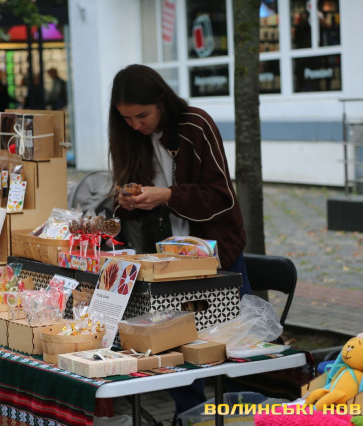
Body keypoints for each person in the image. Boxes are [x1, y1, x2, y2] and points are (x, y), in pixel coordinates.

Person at [108, 64, 251, 419]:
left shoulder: (195, 125)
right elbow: (125, 207)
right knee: (171, 345)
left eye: (142, 116)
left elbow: (221, 198)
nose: (135, 125)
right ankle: (190, 415)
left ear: (162, 99)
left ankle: (243, 413)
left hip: (213, 255)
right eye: (127, 119)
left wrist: (168, 195)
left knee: (234, 344)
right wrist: (127, 202)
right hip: (162, 262)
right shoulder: (129, 137)